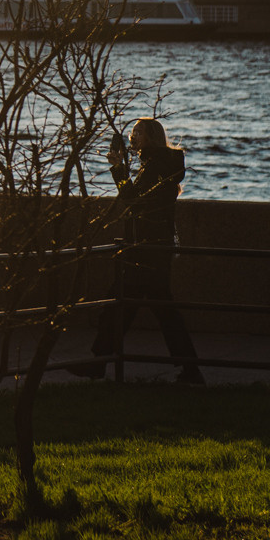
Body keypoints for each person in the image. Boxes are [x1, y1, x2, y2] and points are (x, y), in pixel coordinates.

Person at [77, 117, 204, 384]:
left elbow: (133, 201)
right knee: (133, 308)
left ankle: (99, 363)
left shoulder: (155, 166)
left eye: (138, 132)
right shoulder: (158, 164)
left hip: (147, 249)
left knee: (125, 306)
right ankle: (100, 362)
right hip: (152, 247)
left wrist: (118, 169)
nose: (132, 137)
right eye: (132, 132)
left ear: (151, 137)